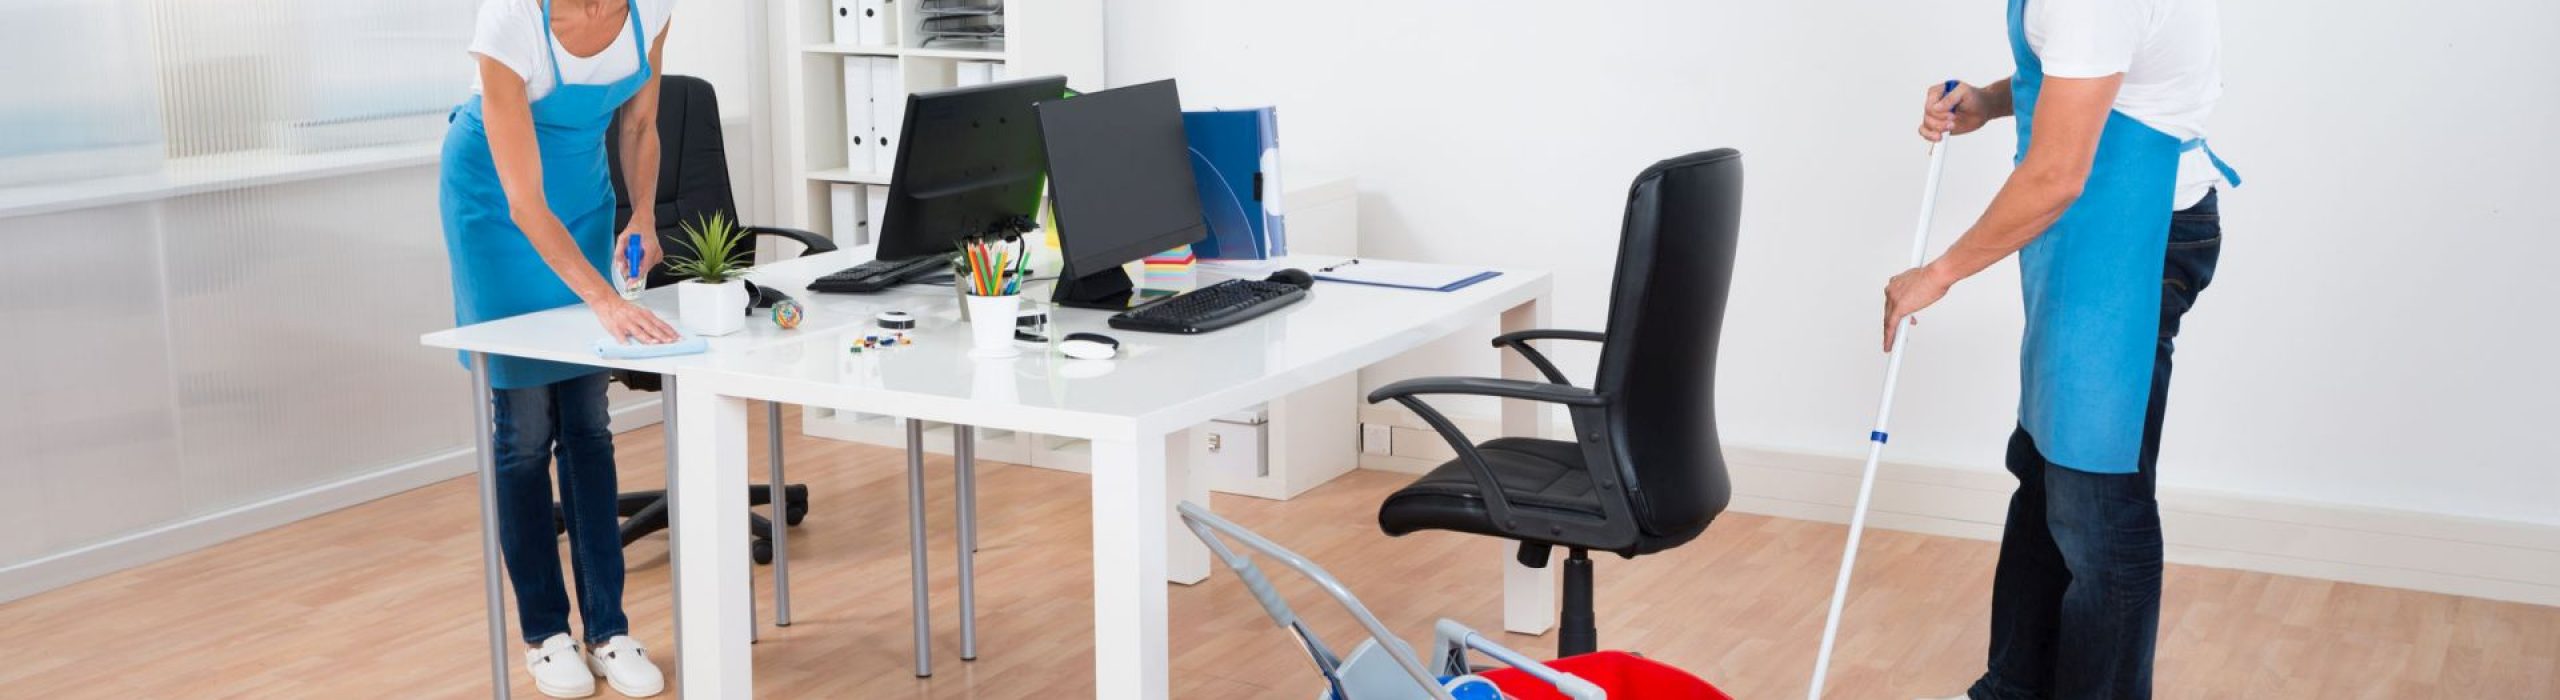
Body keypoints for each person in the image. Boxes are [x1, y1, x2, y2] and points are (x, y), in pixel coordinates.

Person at [1882, 0, 2240, 698]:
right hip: (2086, 234)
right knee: (2046, 469)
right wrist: (1986, 102)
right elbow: (2087, 73)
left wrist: (1938, 275)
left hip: (2130, 240)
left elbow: (2055, 175)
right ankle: (2014, 687)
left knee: (2098, 499)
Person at [439, 0, 681, 696]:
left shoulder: (652, 7)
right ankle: (546, 634)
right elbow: (522, 199)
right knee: (524, 430)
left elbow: (638, 123)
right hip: (498, 204)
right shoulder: (511, 20)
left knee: (587, 420)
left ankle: (609, 629)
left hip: (579, 195)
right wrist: (602, 298)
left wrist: (641, 212)